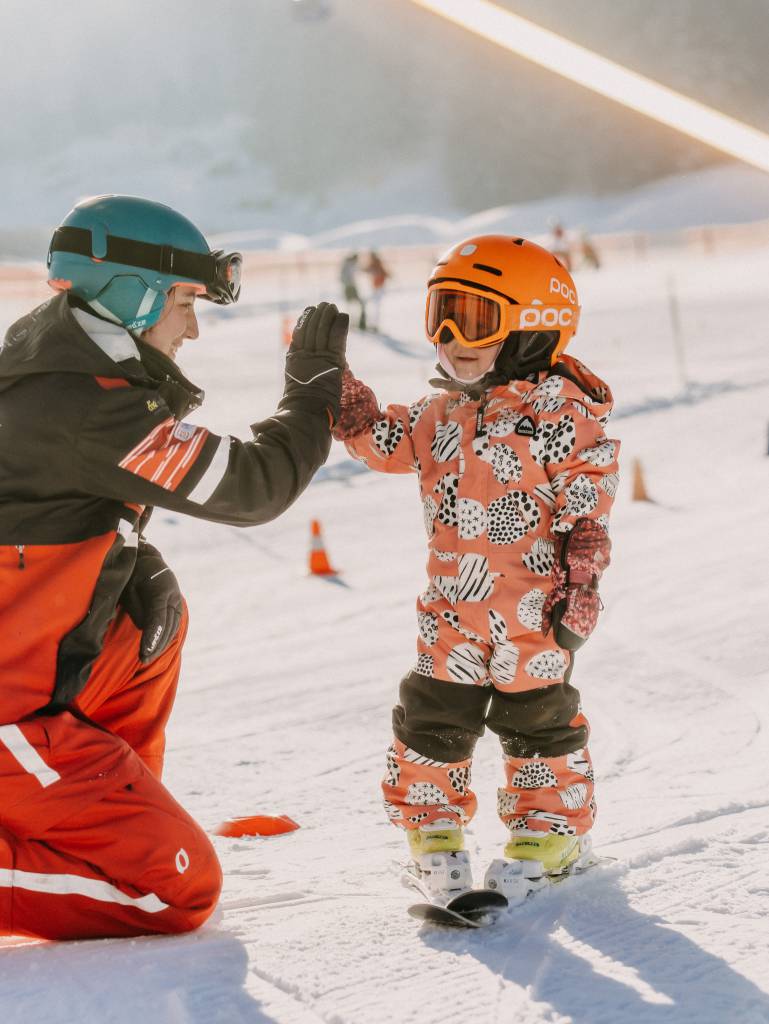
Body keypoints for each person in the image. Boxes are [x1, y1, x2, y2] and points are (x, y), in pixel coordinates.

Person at [0, 194, 347, 940]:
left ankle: (98, 811)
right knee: (172, 890)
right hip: (9, 717)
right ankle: (96, 836)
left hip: (26, 686)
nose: (192, 327)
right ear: (133, 293)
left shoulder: (58, 362)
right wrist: (311, 397)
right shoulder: (85, 403)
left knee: (146, 617)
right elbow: (251, 487)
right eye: (186, 302)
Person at [332, 235, 619, 897]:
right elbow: (379, 440)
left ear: (533, 326)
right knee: (431, 718)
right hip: (451, 614)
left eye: (475, 319)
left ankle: (550, 829)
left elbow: (588, 496)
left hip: (532, 614)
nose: (451, 337)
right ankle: (431, 828)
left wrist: (582, 576)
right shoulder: (440, 412)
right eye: (441, 315)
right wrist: (340, 394)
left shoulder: (560, 414)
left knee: (537, 721)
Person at [362, 250, 390, 332]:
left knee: (375, 306)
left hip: (378, 288)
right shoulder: (376, 264)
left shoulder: (376, 264)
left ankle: (375, 325)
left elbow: (367, 269)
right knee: (375, 306)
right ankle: (374, 324)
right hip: (377, 288)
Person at [340, 252, 367, 331]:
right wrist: (350, 284)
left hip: (350, 287)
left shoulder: (349, 265)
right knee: (353, 305)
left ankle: (357, 323)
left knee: (355, 305)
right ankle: (355, 323)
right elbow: (344, 278)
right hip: (349, 288)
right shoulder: (349, 265)